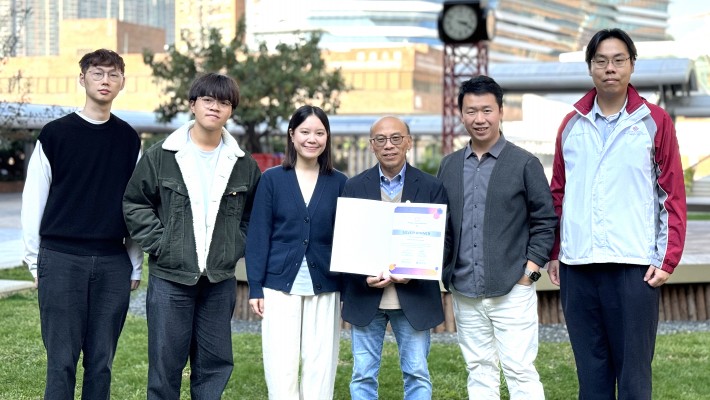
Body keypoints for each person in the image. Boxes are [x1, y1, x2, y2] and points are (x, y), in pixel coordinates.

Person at [547, 28, 687, 400]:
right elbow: (558, 193)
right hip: (579, 268)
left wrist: (667, 258)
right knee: (590, 376)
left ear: (632, 65)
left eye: (618, 60)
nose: (610, 68)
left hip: (634, 267)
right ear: (591, 67)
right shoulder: (571, 123)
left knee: (634, 378)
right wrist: (557, 252)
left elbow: (672, 194)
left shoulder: (655, 122)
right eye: (601, 60)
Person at [123, 73, 261, 399]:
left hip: (218, 281)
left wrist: (233, 247)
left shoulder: (243, 165)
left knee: (214, 365)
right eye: (208, 100)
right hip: (171, 278)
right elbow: (134, 203)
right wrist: (162, 244)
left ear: (231, 110)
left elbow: (253, 217)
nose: (215, 107)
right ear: (193, 105)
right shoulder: (162, 155)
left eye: (224, 102)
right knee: (164, 365)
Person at [21, 48, 142, 399]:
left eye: (113, 74)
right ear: (82, 79)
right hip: (61, 259)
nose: (106, 81)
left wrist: (134, 264)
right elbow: (33, 201)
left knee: (101, 361)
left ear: (122, 82)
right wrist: (35, 261)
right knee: (61, 361)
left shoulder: (129, 139)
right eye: (98, 73)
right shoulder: (55, 134)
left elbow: (133, 204)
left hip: (111, 262)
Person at [436, 75, 557, 399]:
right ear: (461, 114)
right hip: (464, 291)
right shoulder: (448, 166)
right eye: (471, 111)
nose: (479, 119)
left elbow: (545, 221)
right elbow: (440, 225)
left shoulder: (524, 163)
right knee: (479, 370)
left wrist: (529, 275)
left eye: (487, 110)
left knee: (520, 371)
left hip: (512, 291)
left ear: (500, 111)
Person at [341, 116, 447, 400]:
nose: (389, 145)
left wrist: (416, 270)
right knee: (362, 374)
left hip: (414, 296)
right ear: (372, 146)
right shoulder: (353, 187)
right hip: (366, 296)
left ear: (409, 142)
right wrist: (361, 275)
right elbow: (345, 242)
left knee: (417, 374)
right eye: (381, 139)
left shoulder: (431, 186)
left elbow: (444, 242)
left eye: (396, 138)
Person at [245, 105, 347, 400]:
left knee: (321, 363)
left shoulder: (339, 182)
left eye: (319, 132)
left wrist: (347, 289)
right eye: (305, 132)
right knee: (281, 363)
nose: (311, 139)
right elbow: (258, 235)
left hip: (326, 284)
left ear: (327, 137)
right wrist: (255, 286)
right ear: (292, 135)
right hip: (278, 285)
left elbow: (346, 237)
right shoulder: (272, 179)